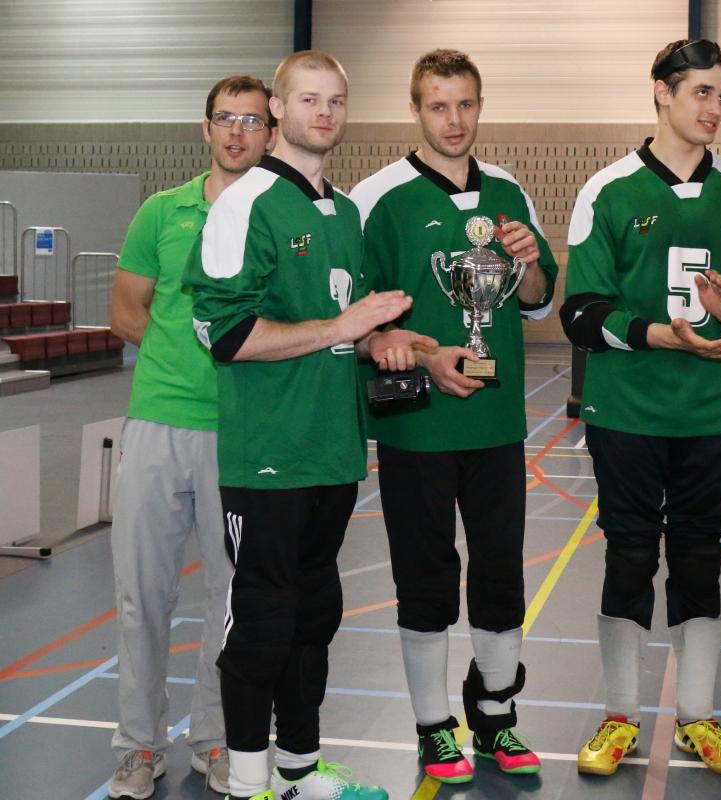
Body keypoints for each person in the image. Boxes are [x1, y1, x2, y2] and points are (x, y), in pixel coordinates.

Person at [187, 50, 417, 800]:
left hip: (335, 454)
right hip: (269, 458)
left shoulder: (344, 212)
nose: (325, 113)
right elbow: (221, 335)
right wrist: (340, 325)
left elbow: (339, 335)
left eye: (337, 101)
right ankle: (247, 778)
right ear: (277, 109)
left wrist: (374, 342)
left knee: (314, 618)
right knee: (261, 620)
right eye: (308, 99)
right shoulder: (244, 202)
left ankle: (298, 769)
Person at [562, 38, 721, 778]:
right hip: (627, 413)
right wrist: (663, 335)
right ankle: (621, 715)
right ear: (661, 92)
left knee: (698, 558)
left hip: (714, 414)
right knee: (628, 555)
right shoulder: (610, 190)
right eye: (701, 93)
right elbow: (581, 311)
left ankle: (696, 718)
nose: (715, 108)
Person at [350, 48, 557, 784]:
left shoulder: (507, 191)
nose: (455, 120)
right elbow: (356, 320)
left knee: (501, 575)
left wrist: (530, 260)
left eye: (466, 104)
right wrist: (417, 350)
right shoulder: (377, 198)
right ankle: (434, 726)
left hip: (498, 425)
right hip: (418, 425)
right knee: (426, 578)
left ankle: (497, 714)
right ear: (415, 109)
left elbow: (537, 300)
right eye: (439, 106)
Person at [107, 74, 274, 800]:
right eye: (225, 119)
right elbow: (124, 311)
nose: (239, 132)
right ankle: (139, 748)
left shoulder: (278, 217)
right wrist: (187, 359)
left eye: (253, 121)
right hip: (156, 423)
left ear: (271, 133)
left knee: (230, 599)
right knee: (141, 594)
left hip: (240, 436)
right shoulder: (161, 211)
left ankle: (214, 739)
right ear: (205, 130)